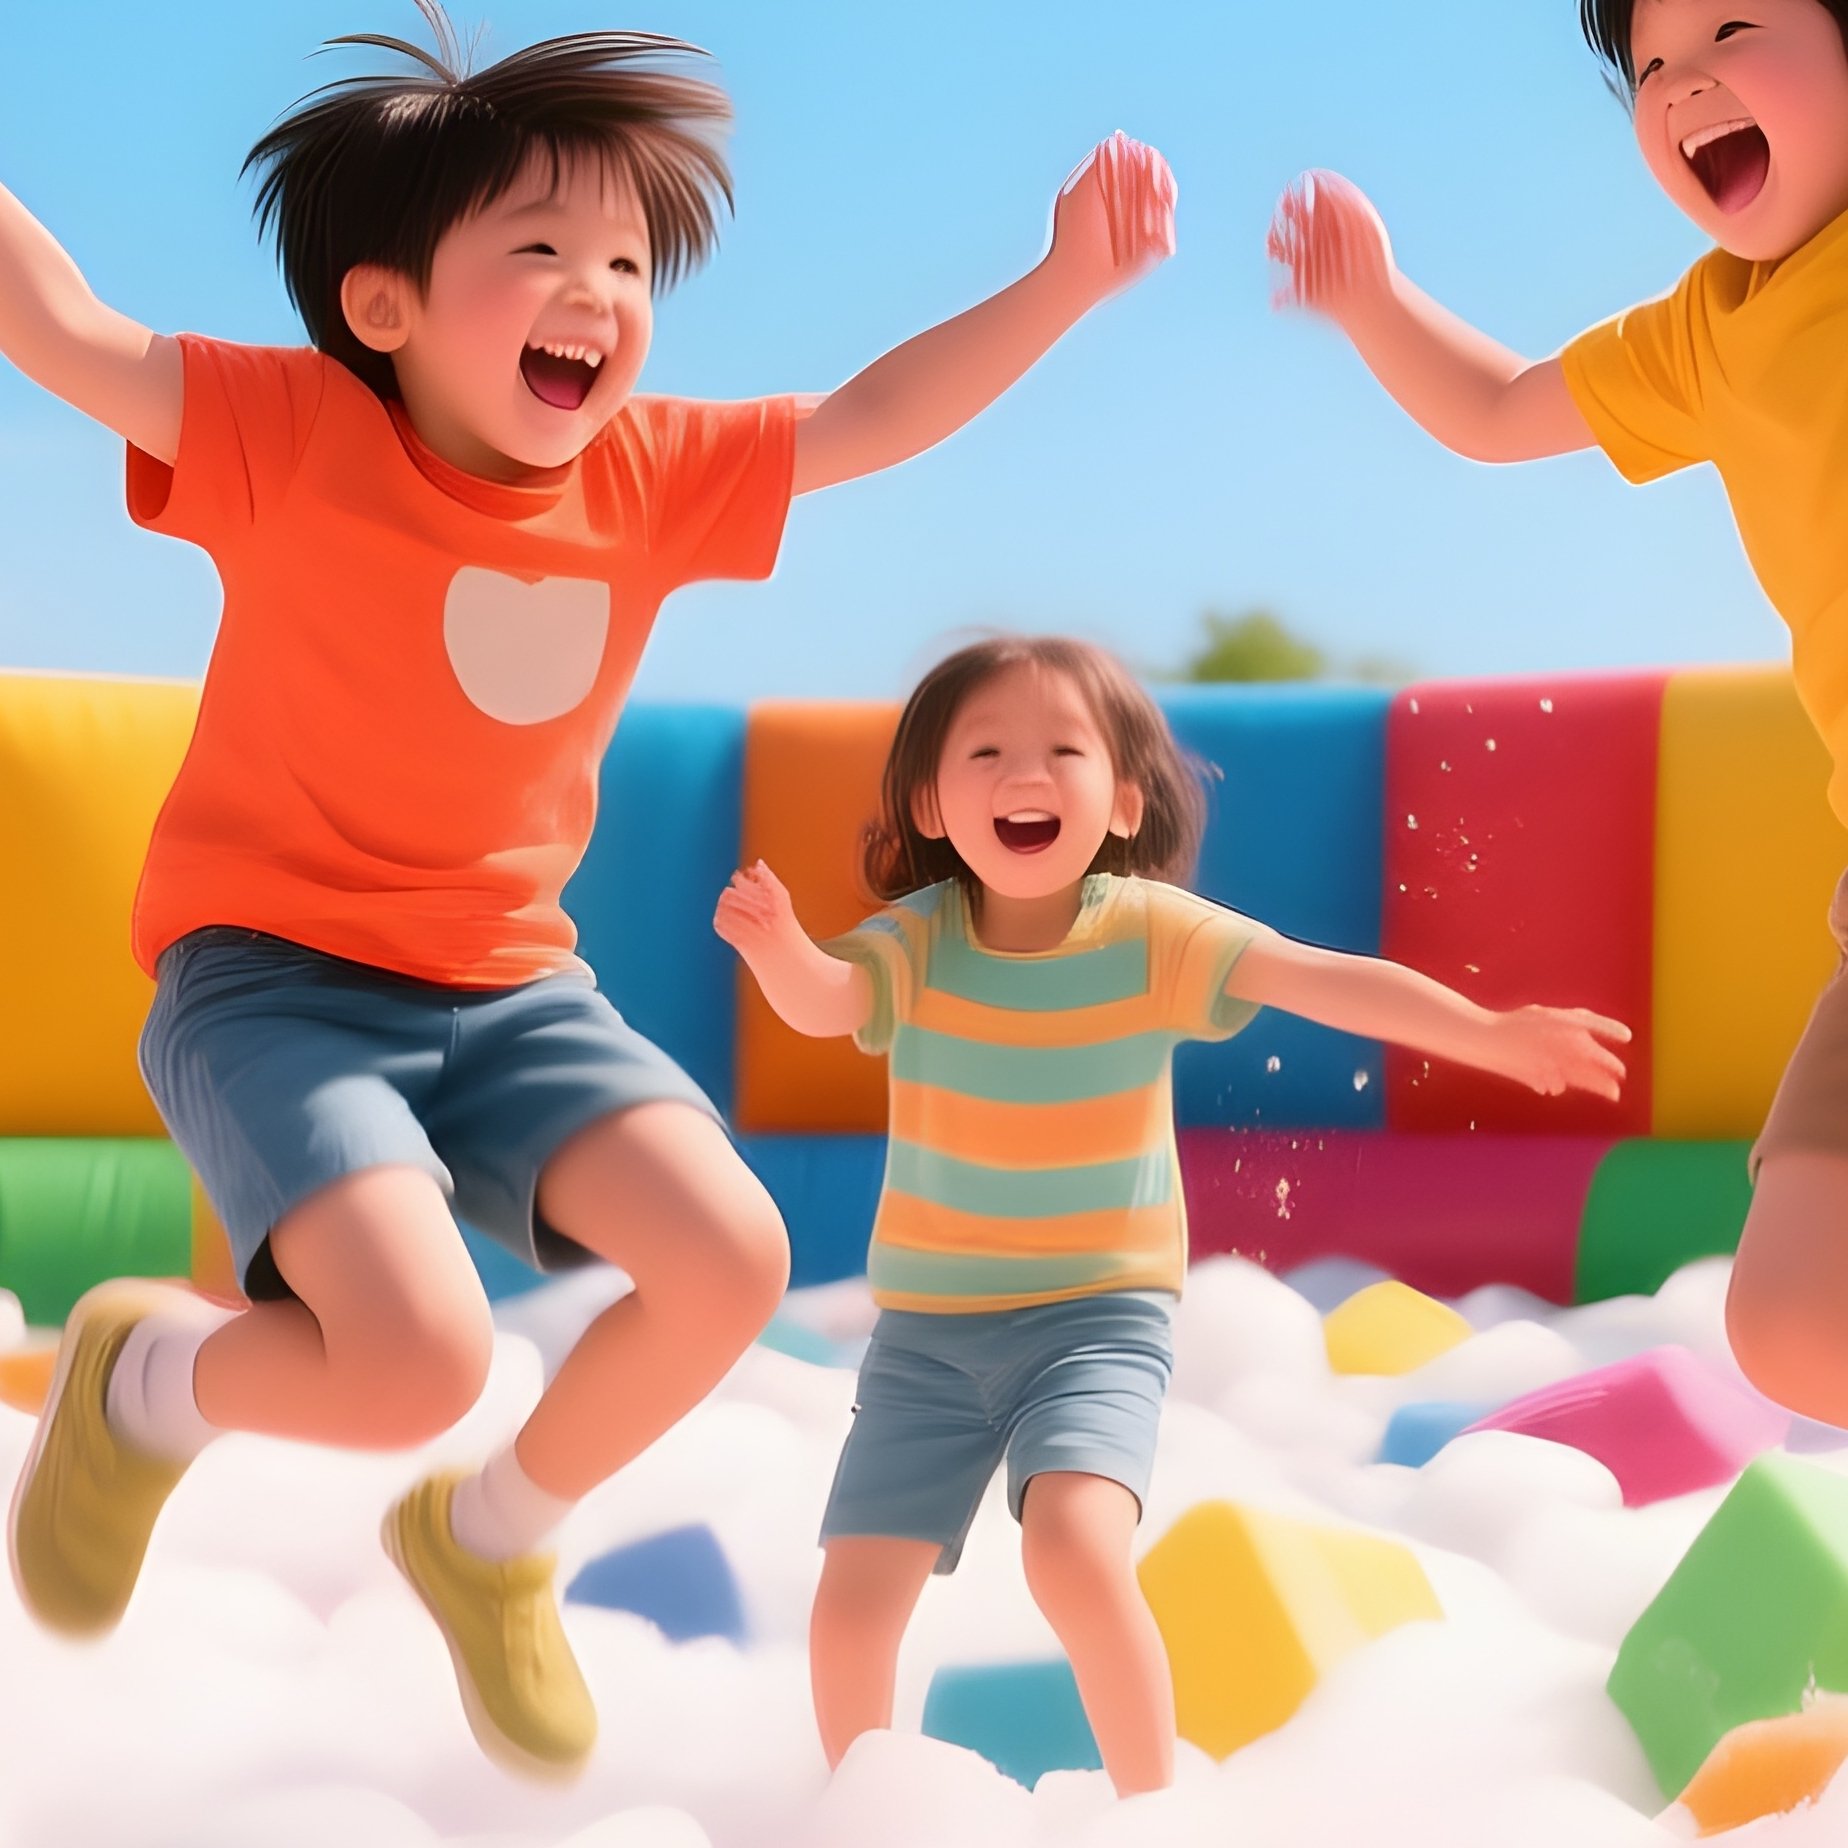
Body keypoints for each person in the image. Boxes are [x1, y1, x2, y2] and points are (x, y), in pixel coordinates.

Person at [2, 2, 1178, 1779]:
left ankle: (481, 1540)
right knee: (411, 1356)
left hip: (505, 985)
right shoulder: (286, 427)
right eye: (536, 250)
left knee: (727, 1255)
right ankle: (142, 1385)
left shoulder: (649, 472)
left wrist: (1060, 284)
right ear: (385, 306)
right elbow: (64, 327)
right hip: (275, 975)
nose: (597, 293)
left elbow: (874, 412)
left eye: (627, 259)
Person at [713, 633, 1630, 1795]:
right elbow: (827, 1001)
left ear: (1125, 798)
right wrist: (779, 948)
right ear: (933, 806)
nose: (1022, 774)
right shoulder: (922, 938)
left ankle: (1154, 1809)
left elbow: (1323, 976)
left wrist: (1490, 1035)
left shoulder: (1150, 931)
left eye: (1061, 748)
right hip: (930, 1335)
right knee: (853, 1599)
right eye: (984, 750)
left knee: (1076, 1553)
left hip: (1095, 1319)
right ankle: (865, 1805)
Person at [1266, 0, 1848, 1430]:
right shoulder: (1714, 329)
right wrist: (1371, 304)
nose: (1684, 81)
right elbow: (1501, 408)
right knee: (1793, 1313)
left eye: (1732, 25)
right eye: (1652, 66)